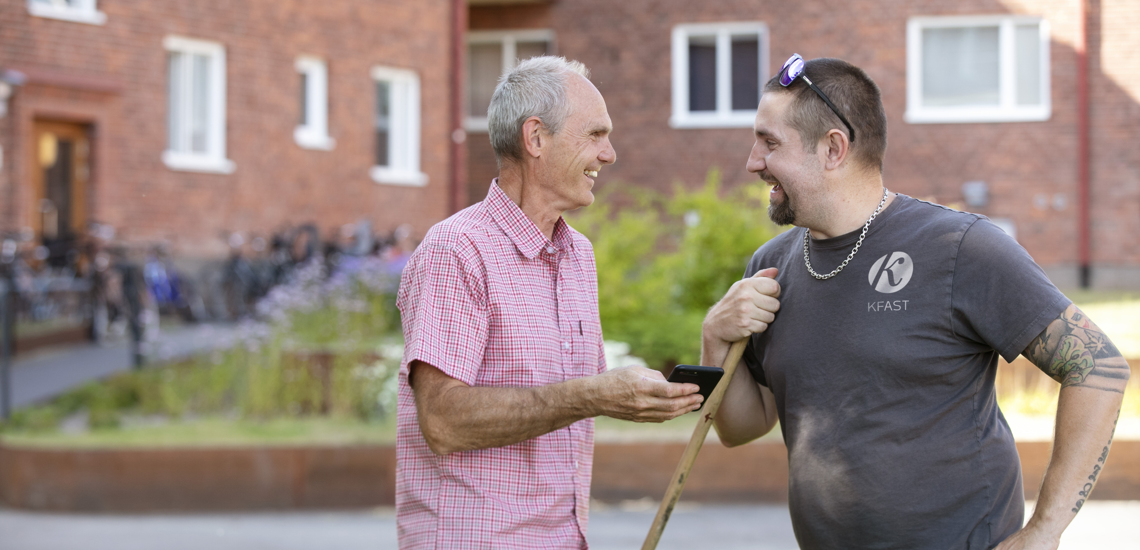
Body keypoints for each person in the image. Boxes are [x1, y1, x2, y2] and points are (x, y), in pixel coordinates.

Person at [702, 54, 1130, 550]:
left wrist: (1044, 531)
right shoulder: (771, 267)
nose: (753, 162)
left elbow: (1098, 368)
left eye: (769, 142)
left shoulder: (959, 247)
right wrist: (715, 336)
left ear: (833, 148)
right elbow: (742, 427)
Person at [395, 56, 704, 549]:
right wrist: (594, 395)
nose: (610, 154)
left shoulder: (578, 255)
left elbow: (572, 397)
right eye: (595, 134)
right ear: (535, 138)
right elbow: (443, 421)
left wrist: (635, 391)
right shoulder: (456, 249)